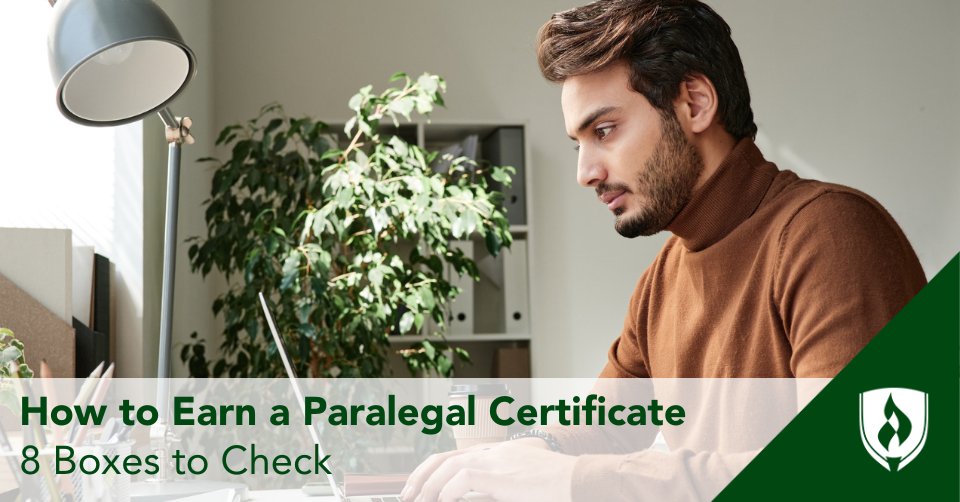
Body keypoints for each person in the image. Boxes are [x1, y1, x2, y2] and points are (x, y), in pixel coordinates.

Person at [400, 1, 927, 501]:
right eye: (578, 144)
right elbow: (602, 427)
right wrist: (516, 454)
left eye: (604, 130)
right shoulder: (663, 278)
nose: (586, 173)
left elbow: (851, 468)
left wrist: (571, 480)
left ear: (694, 103)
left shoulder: (831, 234)